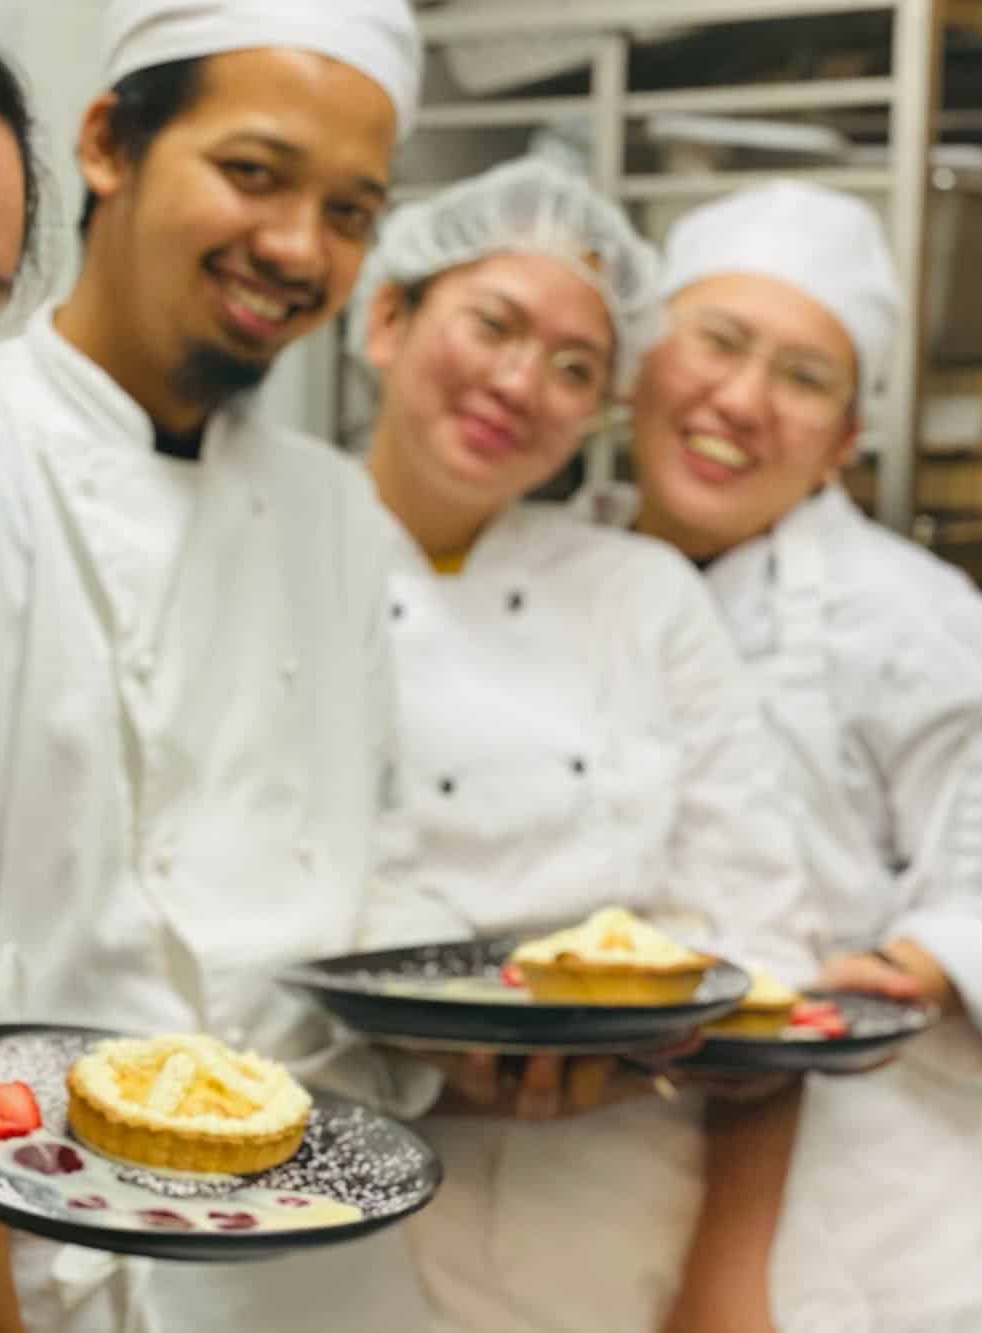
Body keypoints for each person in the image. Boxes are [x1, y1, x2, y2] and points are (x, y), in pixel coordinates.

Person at [0, 0, 435, 1326]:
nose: (297, 247)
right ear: (108, 143)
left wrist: (465, 1048)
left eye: (349, 211)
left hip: (324, 1242)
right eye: (253, 173)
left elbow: (368, 858)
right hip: (49, 1255)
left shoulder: (337, 512)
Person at [588, 180, 982, 1330]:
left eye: (803, 377)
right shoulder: (552, 570)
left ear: (841, 443)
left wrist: (904, 967)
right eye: (715, 340)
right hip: (615, 1182)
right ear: (637, 363)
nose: (740, 399)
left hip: (894, 1218)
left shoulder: (913, 619)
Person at [353, 155, 820, 1332]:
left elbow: (759, 923)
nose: (521, 384)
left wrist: (620, 1056)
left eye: (575, 367)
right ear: (386, 318)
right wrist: (433, 1068)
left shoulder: (641, 592)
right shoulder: (269, 557)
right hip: (343, 1199)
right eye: (493, 324)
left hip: (616, 1211)